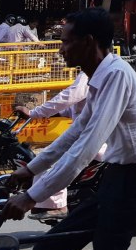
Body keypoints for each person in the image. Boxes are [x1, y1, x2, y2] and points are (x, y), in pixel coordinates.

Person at [2, 8, 136, 250]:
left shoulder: (115, 76)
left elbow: (86, 147)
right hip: (117, 179)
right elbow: (75, 133)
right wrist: (30, 170)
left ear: (88, 42)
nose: (61, 49)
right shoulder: (98, 78)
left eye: (66, 41)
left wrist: (31, 197)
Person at [14, 71, 92, 222]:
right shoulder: (90, 73)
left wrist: (34, 112)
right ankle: (43, 203)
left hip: (91, 137)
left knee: (52, 162)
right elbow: (76, 106)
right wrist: (55, 113)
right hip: (85, 133)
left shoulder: (88, 74)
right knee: (48, 156)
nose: (65, 57)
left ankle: (58, 206)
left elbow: (69, 97)